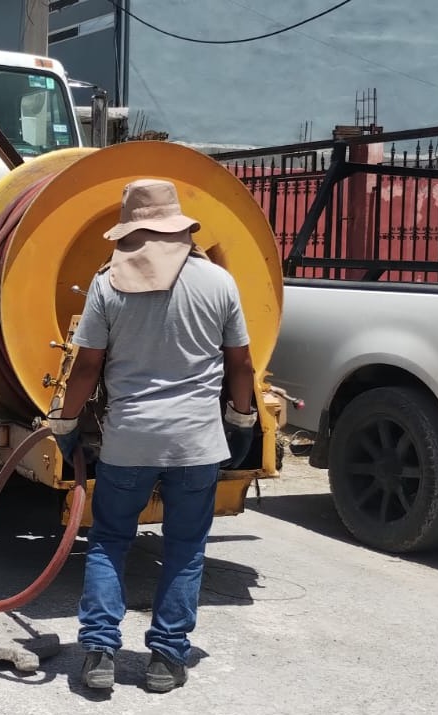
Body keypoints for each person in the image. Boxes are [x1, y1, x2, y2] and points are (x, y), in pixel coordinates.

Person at [49, 179, 258, 692]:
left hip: (129, 442)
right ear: (180, 227)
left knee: (109, 543)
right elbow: (241, 363)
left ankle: (98, 652)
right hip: (197, 444)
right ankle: (166, 658)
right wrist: (242, 418)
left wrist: (66, 424)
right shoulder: (218, 283)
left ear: (131, 230)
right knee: (185, 547)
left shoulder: (108, 284)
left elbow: (87, 368)